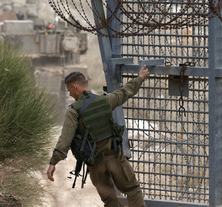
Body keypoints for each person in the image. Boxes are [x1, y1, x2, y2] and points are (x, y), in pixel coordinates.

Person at [47, 65, 150, 207]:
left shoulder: (73, 111)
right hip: (114, 158)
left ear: (75, 87)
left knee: (109, 200)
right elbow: (125, 91)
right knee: (132, 190)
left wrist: (53, 162)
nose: (70, 94)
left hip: (95, 164)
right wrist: (140, 77)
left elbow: (65, 139)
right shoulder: (106, 100)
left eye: (70, 90)